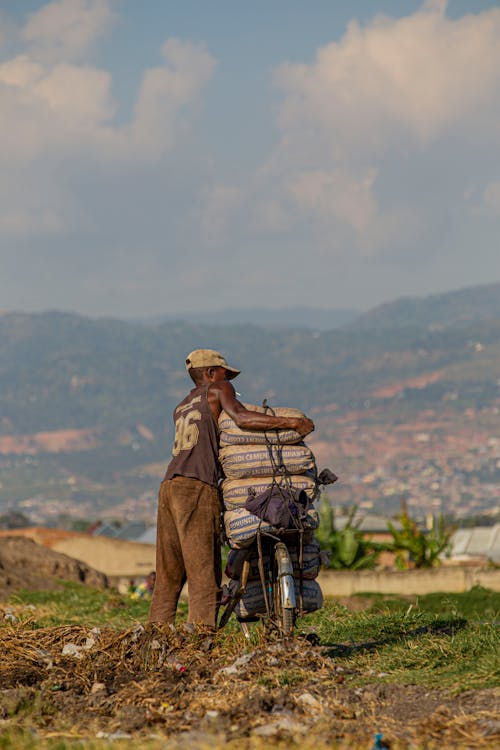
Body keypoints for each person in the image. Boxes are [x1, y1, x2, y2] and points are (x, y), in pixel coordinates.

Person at [148, 348, 314, 629]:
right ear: (211, 374)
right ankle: (200, 641)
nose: (230, 382)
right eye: (225, 373)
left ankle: (155, 637)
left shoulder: (182, 406)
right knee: (204, 572)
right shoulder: (218, 389)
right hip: (196, 486)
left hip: (169, 486)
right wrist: (292, 423)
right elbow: (241, 418)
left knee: (168, 574)